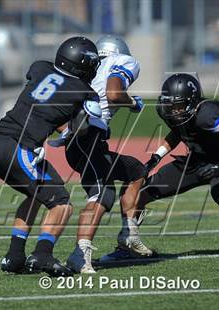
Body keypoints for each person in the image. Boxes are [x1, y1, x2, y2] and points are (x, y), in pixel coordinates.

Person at [102, 73, 219, 261]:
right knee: (143, 191)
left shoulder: (210, 114)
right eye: (170, 104)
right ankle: (128, 245)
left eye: (177, 105)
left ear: (192, 101)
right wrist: (156, 157)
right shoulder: (171, 112)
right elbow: (177, 133)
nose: (173, 110)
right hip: (194, 161)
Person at [0, 36, 101, 276]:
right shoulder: (85, 91)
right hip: (18, 148)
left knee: (36, 195)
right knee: (62, 203)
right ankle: (42, 255)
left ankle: (15, 256)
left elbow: (46, 103)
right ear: (82, 64)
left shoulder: (40, 67)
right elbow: (85, 126)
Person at [51, 35, 152, 274]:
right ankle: (79, 255)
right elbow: (115, 93)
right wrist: (132, 103)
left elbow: (57, 112)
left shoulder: (84, 70)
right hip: (89, 140)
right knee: (102, 194)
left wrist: (70, 132)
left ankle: (129, 235)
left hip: (81, 141)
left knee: (136, 171)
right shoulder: (124, 61)